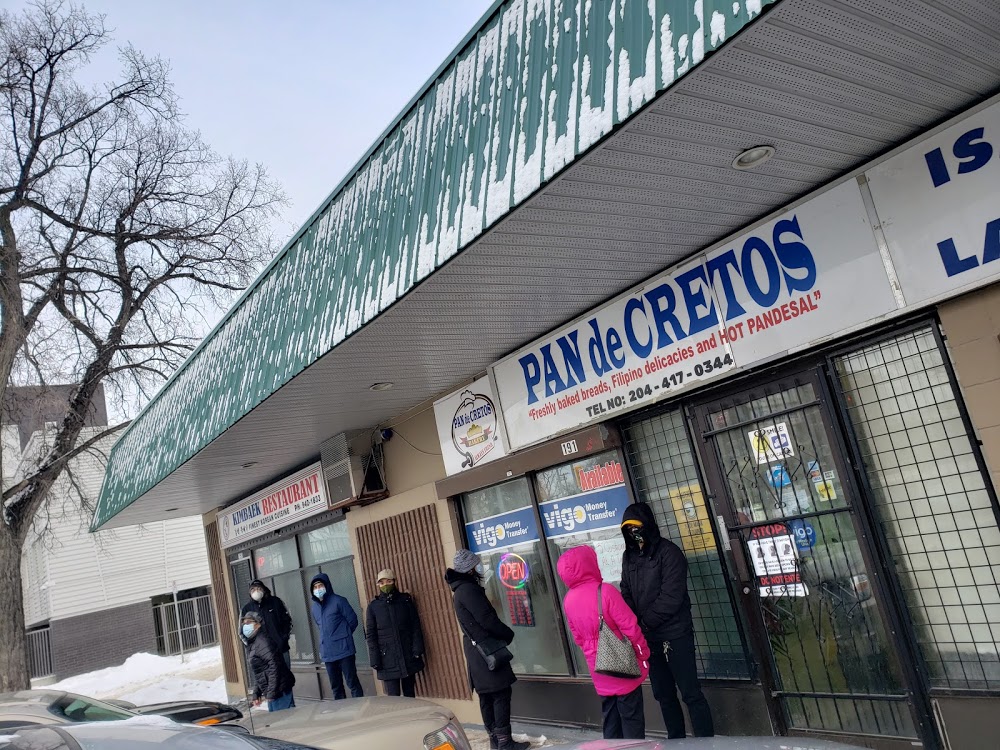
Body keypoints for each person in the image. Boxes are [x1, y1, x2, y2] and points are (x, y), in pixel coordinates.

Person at [620, 502, 714, 738]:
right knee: (663, 694)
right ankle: (676, 740)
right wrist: (632, 622)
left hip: (675, 634)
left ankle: (705, 741)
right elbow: (626, 592)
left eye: (637, 526)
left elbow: (671, 598)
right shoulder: (629, 557)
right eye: (628, 528)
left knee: (691, 692)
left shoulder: (669, 553)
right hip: (648, 638)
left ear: (647, 525)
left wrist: (643, 624)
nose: (634, 532)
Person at [556, 545, 649, 740]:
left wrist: (593, 652)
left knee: (611, 716)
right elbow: (630, 627)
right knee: (631, 717)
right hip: (621, 663)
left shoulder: (568, 600)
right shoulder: (605, 591)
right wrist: (643, 653)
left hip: (598, 666)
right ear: (588, 564)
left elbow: (578, 638)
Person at [445, 549, 529, 750]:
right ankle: (504, 742)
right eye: (476, 565)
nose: (479, 567)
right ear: (470, 569)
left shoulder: (460, 590)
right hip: (486, 650)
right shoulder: (468, 590)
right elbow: (487, 620)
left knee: (487, 696)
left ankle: (495, 740)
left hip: (477, 651)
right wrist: (507, 634)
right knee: (500, 693)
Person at [366, 567, 426, 698]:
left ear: (394, 581)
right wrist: (375, 658)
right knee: (393, 698)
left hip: (407, 654)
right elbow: (371, 635)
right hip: (387, 658)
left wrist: (417, 649)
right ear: (378, 585)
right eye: (381, 583)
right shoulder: (373, 607)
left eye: (388, 581)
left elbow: (415, 625)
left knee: (410, 694)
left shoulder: (405, 601)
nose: (385, 585)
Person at [309, 572, 364, 699]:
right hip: (328, 654)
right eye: (315, 587)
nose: (318, 589)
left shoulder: (339, 601)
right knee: (336, 687)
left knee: (352, 683)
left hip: (344, 650)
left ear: (327, 586)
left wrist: (343, 636)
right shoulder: (314, 608)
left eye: (320, 585)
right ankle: (342, 713)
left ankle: (361, 709)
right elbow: (320, 626)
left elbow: (353, 621)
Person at [240, 611, 296, 712]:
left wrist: (271, 692)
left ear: (258, 624)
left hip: (280, 690)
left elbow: (275, 667)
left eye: (248, 623)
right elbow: (260, 672)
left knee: (284, 722)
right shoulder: (253, 643)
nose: (245, 626)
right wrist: (256, 693)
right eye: (243, 623)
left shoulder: (263, 642)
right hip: (274, 692)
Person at [241, 579, 293, 667]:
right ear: (250, 593)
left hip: (280, 648)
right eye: (253, 589)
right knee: (270, 678)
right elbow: (243, 632)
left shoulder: (276, 602)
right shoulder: (247, 609)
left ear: (264, 589)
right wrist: (252, 648)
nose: (256, 591)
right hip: (261, 653)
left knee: (286, 678)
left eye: (258, 588)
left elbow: (287, 621)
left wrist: (283, 638)